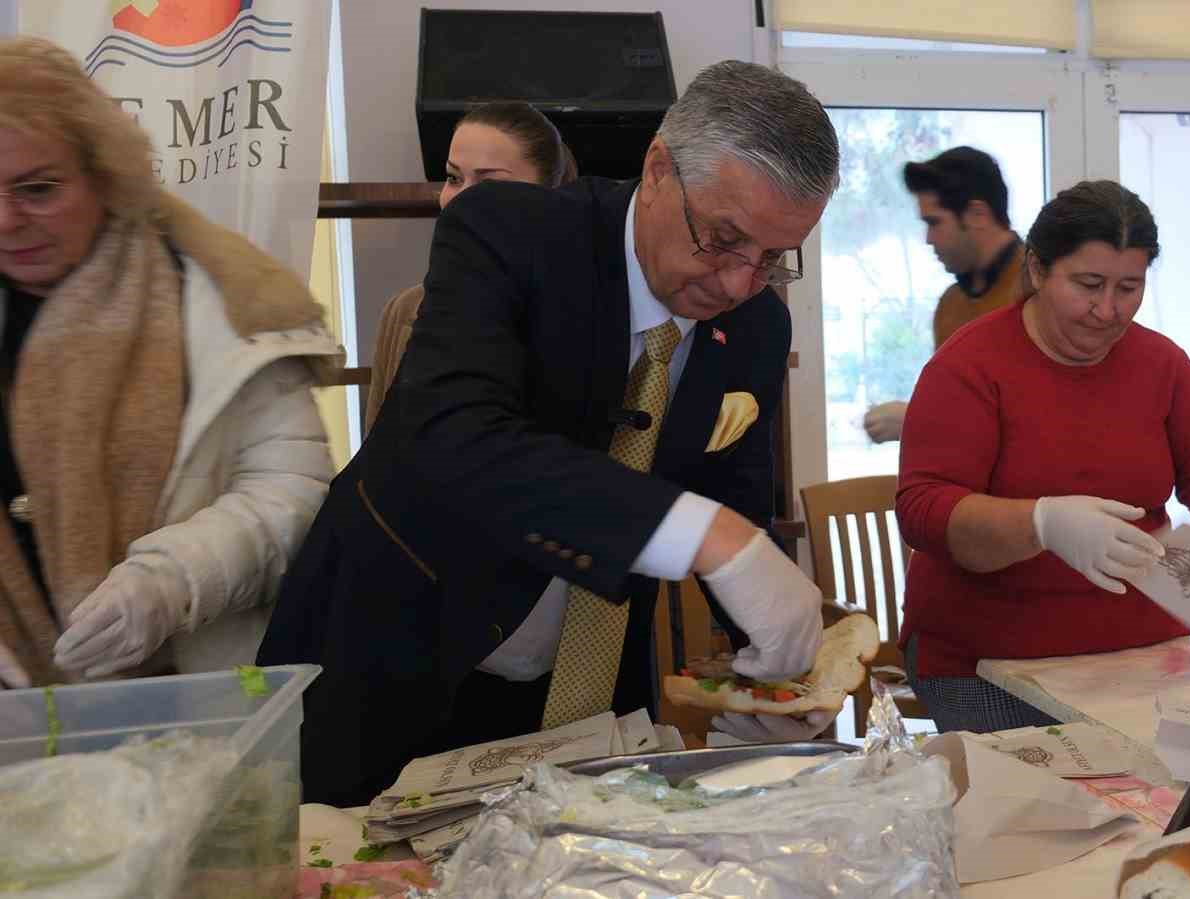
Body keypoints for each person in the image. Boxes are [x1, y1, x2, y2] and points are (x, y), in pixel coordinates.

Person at [258, 60, 841, 806]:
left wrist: (771, 680)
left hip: (585, 694)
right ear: (658, 168)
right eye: (722, 239)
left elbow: (730, 497)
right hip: (396, 658)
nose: (736, 283)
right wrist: (711, 538)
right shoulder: (509, 232)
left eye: (771, 260)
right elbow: (456, 434)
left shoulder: (756, 324)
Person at [0, 37, 341, 688]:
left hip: (190, 703)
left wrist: (171, 580)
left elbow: (293, 490)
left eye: (38, 189)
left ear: (103, 175)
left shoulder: (219, 299)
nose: (7, 220)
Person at [895, 180, 1190, 733]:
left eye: (1129, 288)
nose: (1107, 310)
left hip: (1138, 651)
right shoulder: (969, 368)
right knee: (1035, 810)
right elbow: (925, 510)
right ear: (1037, 270)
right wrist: (1039, 523)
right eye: (1088, 284)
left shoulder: (1160, 365)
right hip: (988, 664)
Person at [365, 102, 577, 433]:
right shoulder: (405, 309)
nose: (461, 199)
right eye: (453, 178)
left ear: (548, 193)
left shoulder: (582, 312)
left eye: (488, 182)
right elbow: (375, 458)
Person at [862, 146, 1025, 444]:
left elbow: (1035, 417)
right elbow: (956, 405)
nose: (928, 239)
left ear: (977, 214)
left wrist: (918, 420)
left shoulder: (1042, 292)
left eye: (934, 222)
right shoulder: (949, 305)